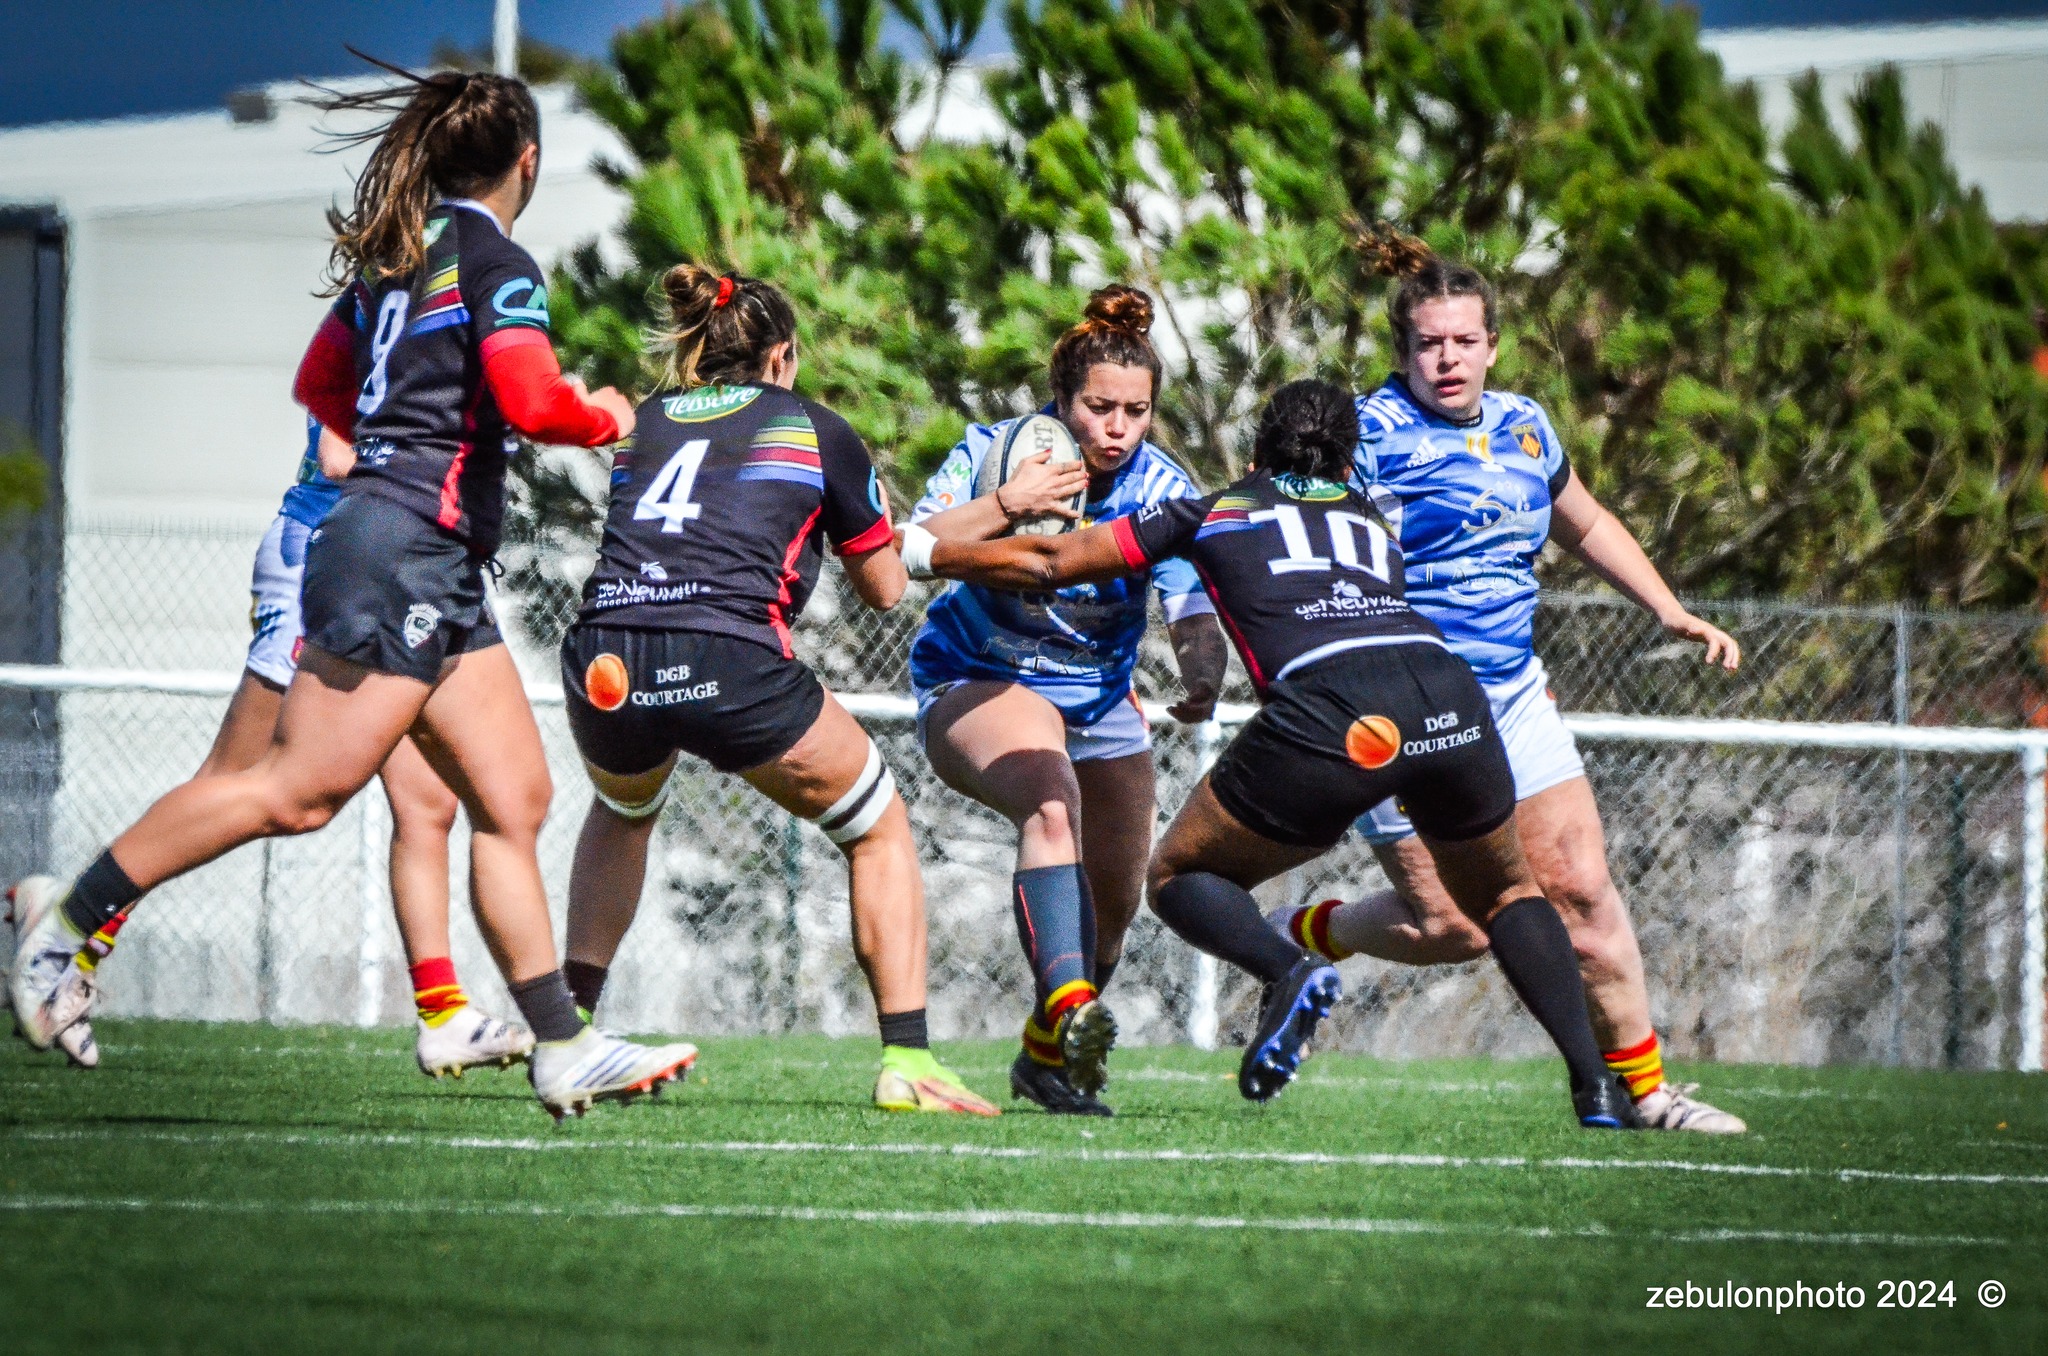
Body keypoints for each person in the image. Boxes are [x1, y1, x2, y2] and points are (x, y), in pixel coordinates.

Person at [8, 62, 693, 1120]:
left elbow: (323, 386)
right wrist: (601, 415)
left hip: (428, 552)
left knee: (514, 798)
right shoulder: (494, 257)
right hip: (403, 548)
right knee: (298, 791)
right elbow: (527, 396)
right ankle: (65, 930)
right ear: (528, 160)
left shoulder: (397, 260)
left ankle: (561, 1043)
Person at [901, 380, 1645, 1123]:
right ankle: (1596, 1086)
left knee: (1180, 875)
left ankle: (1289, 970)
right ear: (1350, 464)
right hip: (1450, 691)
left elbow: (1052, 563)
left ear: (1257, 449)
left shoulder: (1212, 508)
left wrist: (928, 553)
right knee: (1510, 894)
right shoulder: (1370, 514)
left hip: (1339, 710)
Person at [1268, 241, 1746, 1133]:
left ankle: (1647, 1096)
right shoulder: (1367, 435)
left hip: (1512, 694)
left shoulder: (1526, 426)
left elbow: (1585, 521)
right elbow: (1296, 539)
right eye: (1425, 343)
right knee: (1453, 927)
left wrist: (1667, 609)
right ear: (1402, 351)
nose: (1444, 359)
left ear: (1493, 345)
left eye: (1461, 341)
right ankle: (1300, 937)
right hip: (1399, 700)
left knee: (1582, 890)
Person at [551, 264, 997, 1116]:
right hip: (729, 657)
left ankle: (568, 1026)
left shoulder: (645, 423)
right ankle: (908, 1061)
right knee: (876, 827)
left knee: (624, 811)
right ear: (783, 357)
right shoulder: (814, 429)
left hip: (605, 657)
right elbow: (883, 589)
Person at [7, 419, 530, 1076]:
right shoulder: (382, 323)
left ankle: (444, 1013)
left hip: (399, 574)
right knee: (241, 781)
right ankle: (67, 930)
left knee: (428, 802)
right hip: (328, 560)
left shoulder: (442, 332)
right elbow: (341, 458)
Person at [906, 286, 1229, 1116]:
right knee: (1051, 806)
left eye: (1136, 410)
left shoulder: (1163, 486)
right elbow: (909, 545)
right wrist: (1011, 508)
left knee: (1111, 915)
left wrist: (1203, 671)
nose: (1117, 427)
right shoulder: (993, 451)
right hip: (979, 677)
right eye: (1098, 408)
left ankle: (1045, 1058)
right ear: (1061, 402)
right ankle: (1076, 1008)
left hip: (1099, 699)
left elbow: (1190, 600)